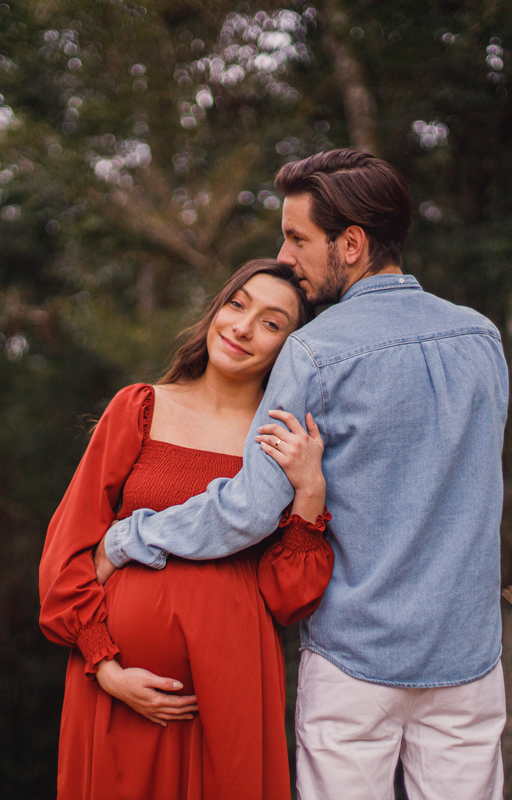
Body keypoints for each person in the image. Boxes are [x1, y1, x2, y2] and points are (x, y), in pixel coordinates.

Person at [97, 149, 509, 800]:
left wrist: (130, 536)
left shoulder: (315, 350)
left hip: (355, 661)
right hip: (467, 657)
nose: (286, 256)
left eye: (296, 238)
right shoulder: (483, 338)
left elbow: (248, 510)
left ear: (350, 244)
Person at [38, 259, 335, 800]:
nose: (243, 327)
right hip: (116, 687)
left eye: (272, 323)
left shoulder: (279, 446)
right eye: (237, 305)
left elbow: (288, 598)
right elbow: (67, 553)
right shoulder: (140, 409)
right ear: (216, 310)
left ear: (290, 350)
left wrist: (310, 491)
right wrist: (104, 665)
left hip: (232, 690)